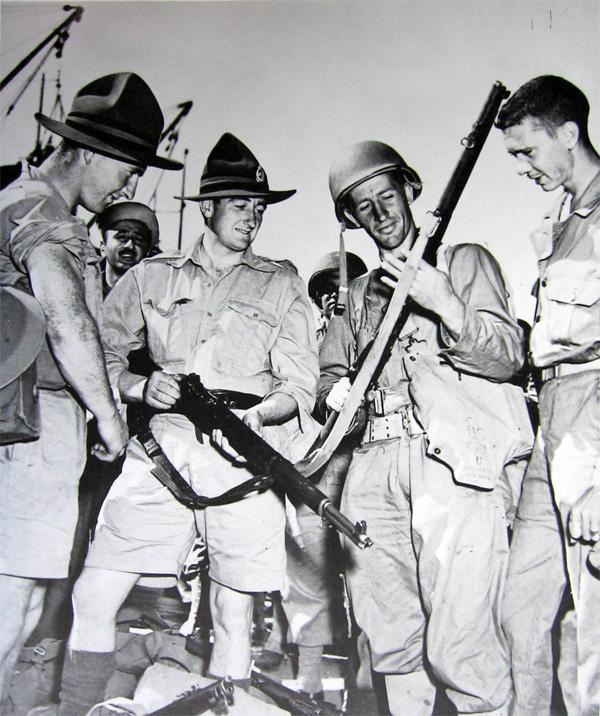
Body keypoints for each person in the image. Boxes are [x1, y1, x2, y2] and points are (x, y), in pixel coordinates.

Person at [56, 132, 318, 715]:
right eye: (240, 204)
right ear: (207, 209)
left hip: (244, 461)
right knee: (94, 593)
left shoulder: (281, 284)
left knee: (232, 613)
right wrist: (137, 385)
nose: (252, 217)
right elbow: (98, 348)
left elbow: (300, 385)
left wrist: (258, 414)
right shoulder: (152, 276)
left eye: (259, 207)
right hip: (162, 453)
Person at [318, 140, 530, 715]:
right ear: (351, 219)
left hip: (451, 463)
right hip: (372, 470)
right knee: (391, 638)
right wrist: (334, 395)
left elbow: (507, 356)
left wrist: (445, 303)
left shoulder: (464, 261)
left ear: (409, 191)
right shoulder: (354, 297)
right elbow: (328, 379)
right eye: (363, 205)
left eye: (386, 195)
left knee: (463, 641)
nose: (380, 212)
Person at [0, 72, 181, 708]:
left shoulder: (22, 200)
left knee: (23, 600)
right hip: (31, 421)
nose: (128, 186)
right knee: (9, 597)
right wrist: (107, 413)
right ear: (89, 152)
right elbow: (65, 316)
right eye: (127, 169)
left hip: (29, 419)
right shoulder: (43, 211)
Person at [496, 75, 600, 716]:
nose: (522, 167)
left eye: (527, 151)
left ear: (568, 133)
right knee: (520, 611)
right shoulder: (563, 222)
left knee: (594, 629)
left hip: (593, 421)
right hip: (551, 421)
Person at [257, 251, 368, 698]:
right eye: (324, 291)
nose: (332, 298)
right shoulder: (303, 333)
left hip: (363, 462)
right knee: (305, 568)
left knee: (366, 573)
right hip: (311, 465)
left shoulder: (376, 329)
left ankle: (365, 681)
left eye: (343, 287)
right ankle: (309, 679)